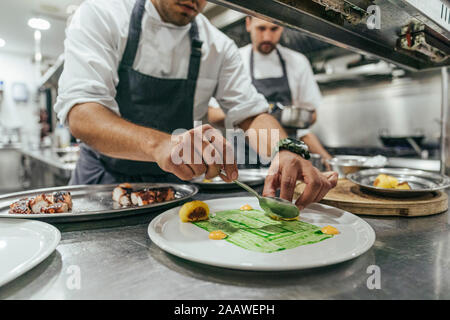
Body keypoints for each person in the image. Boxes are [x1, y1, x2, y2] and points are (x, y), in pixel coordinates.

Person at [55, 0, 337, 210]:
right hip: (103, 183)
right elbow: (83, 113)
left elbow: (251, 114)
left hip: (176, 190)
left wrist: (284, 151)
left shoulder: (218, 46)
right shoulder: (103, 14)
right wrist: (161, 145)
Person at [208, 16, 332, 168]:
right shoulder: (235, 59)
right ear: (248, 24)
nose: (267, 36)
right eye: (261, 28)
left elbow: (310, 115)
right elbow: (213, 114)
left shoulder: (298, 62)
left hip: (286, 153)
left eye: (274, 29)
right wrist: (260, 114)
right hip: (245, 160)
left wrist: (283, 118)